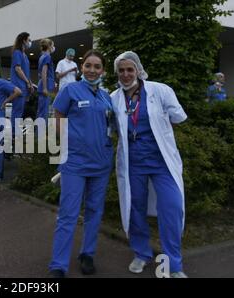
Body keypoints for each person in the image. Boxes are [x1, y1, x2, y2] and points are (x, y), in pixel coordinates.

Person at [111, 51, 188, 278]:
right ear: (117, 73)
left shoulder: (160, 90)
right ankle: (141, 253)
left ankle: (173, 264)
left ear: (138, 70)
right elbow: (111, 129)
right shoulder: (114, 97)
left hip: (161, 161)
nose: (126, 74)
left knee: (171, 207)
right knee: (135, 207)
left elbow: (178, 118)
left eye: (130, 70)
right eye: (121, 71)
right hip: (133, 161)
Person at [48, 50, 114, 278]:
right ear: (81, 67)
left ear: (103, 70)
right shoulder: (71, 90)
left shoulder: (107, 96)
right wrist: (66, 142)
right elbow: (57, 114)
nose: (92, 70)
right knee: (68, 214)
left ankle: (87, 254)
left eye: (97, 66)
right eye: (88, 65)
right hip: (74, 163)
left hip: (101, 163)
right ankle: (58, 265)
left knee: (95, 211)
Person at [10, 32, 34, 138]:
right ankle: (13, 136)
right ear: (24, 40)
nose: (30, 42)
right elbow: (18, 69)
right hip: (18, 87)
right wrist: (27, 82)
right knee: (16, 112)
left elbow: (25, 71)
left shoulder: (24, 55)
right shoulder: (17, 53)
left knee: (19, 113)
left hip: (23, 87)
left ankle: (15, 136)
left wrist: (30, 83)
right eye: (29, 40)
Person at [37, 38, 56, 137]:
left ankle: (38, 135)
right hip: (45, 87)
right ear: (49, 46)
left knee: (41, 111)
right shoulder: (47, 57)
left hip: (44, 85)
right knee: (43, 112)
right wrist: (45, 87)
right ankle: (40, 136)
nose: (53, 47)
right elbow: (44, 72)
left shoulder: (42, 57)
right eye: (52, 45)